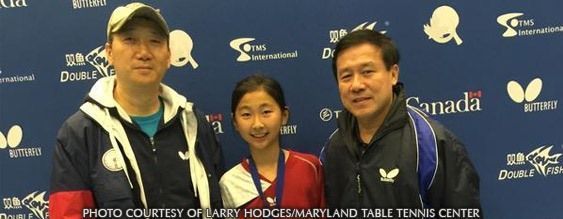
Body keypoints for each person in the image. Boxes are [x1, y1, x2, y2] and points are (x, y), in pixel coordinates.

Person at [49, 2, 224, 218]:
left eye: (154, 41)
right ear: (109, 52)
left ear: (168, 55)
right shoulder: (79, 133)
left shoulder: (194, 124)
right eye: (130, 40)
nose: (143, 52)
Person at [321, 30, 481, 210]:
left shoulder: (430, 142)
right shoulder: (333, 148)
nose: (357, 85)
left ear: (393, 74)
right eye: (346, 76)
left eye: (367, 72)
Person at [220, 74, 325, 212]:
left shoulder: (310, 167)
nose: (257, 124)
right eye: (246, 114)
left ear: (284, 116)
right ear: (235, 122)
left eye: (266, 112)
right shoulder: (229, 182)